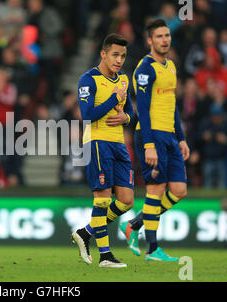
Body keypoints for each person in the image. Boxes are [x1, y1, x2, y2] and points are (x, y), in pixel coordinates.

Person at [120, 19, 190, 261]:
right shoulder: (145, 69)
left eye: (167, 35)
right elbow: (144, 110)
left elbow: (173, 106)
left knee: (179, 190)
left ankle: (134, 224)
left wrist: (181, 138)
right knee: (156, 189)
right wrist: (149, 144)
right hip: (151, 135)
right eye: (159, 36)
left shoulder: (170, 66)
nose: (165, 40)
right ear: (150, 40)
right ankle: (152, 249)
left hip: (170, 136)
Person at [71, 33, 135, 268]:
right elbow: (87, 116)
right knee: (103, 199)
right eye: (115, 55)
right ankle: (105, 256)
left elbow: (130, 111)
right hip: (97, 142)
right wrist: (111, 100)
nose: (119, 60)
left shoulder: (124, 80)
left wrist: (126, 117)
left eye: (123, 56)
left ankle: (86, 232)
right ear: (104, 54)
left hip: (119, 144)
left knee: (127, 200)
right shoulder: (88, 80)